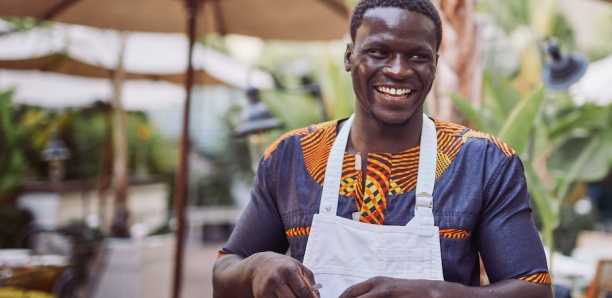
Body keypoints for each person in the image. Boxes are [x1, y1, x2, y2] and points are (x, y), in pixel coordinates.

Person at [213, 0, 553, 297]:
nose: (398, 70)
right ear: (349, 56)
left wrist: (437, 294)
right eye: (379, 52)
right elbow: (225, 272)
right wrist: (256, 267)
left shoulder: (484, 162)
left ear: (434, 64)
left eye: (418, 56)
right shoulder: (291, 157)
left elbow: (534, 289)